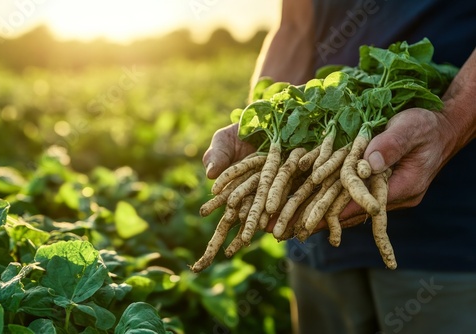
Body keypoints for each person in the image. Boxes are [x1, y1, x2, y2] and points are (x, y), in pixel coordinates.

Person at [202, 0, 476, 333]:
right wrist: (264, 120)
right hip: (310, 227)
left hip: (448, 236)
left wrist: (451, 122)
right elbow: (296, 26)